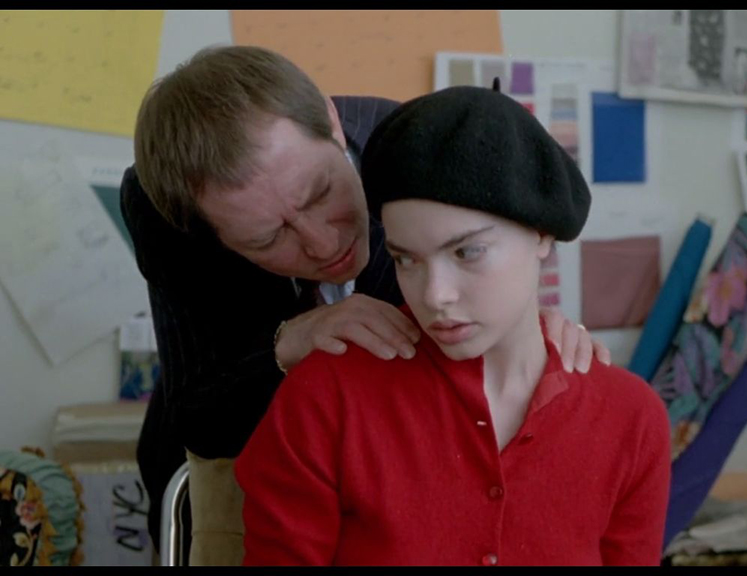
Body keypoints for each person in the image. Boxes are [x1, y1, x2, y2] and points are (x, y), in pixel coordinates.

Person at [120, 45, 610, 552]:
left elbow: (489, 271)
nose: (322, 244)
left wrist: (524, 328)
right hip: (237, 473)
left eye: (320, 194)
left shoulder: (418, 145)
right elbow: (199, 416)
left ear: (332, 123)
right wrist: (289, 344)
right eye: (268, 239)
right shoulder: (164, 207)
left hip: (412, 484)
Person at [235, 85, 671, 566]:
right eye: (407, 259)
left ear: (542, 234)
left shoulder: (631, 419)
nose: (434, 295)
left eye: (467, 251)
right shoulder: (324, 400)